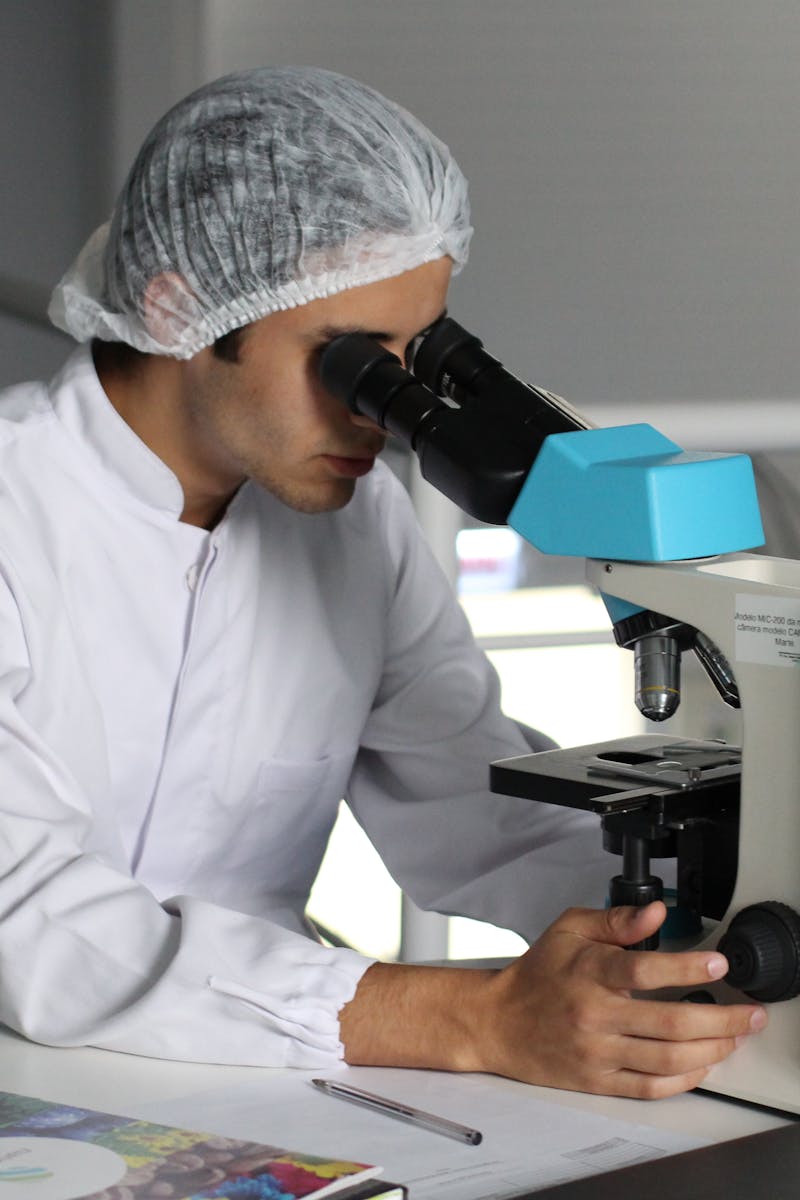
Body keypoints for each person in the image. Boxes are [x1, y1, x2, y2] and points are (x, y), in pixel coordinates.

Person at [0, 66, 764, 1098]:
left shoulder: (354, 525)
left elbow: (477, 808)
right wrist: (475, 1020)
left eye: (414, 357)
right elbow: (25, 916)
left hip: (260, 1086)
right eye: (348, 361)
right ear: (181, 307)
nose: (381, 412)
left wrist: (697, 913)